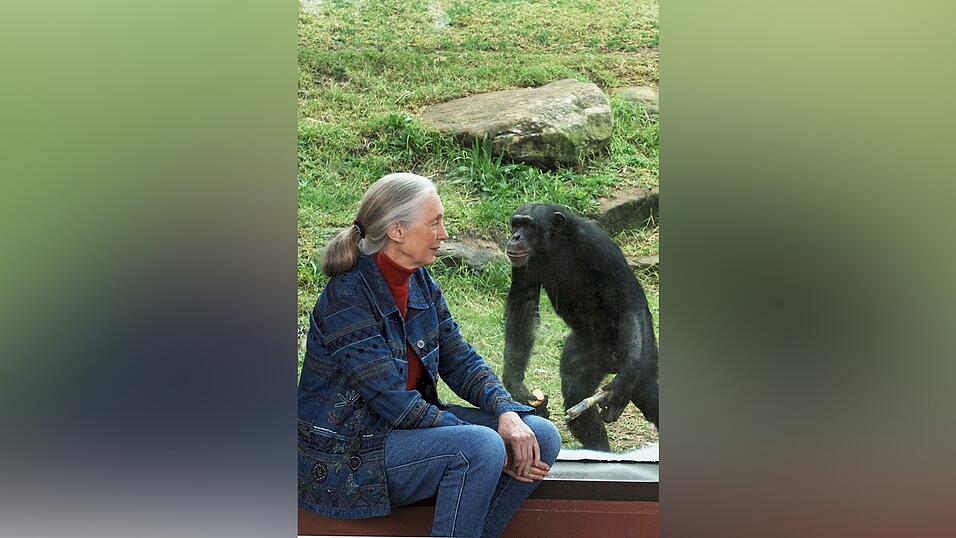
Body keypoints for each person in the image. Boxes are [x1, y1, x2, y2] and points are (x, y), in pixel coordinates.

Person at [298, 173, 562, 537]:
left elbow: (461, 360)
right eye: (434, 222)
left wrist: (506, 411)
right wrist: (497, 442)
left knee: (540, 436)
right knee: (480, 446)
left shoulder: (420, 282)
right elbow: (395, 403)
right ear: (397, 231)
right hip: (349, 451)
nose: (444, 233)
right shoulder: (347, 298)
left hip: (402, 434)